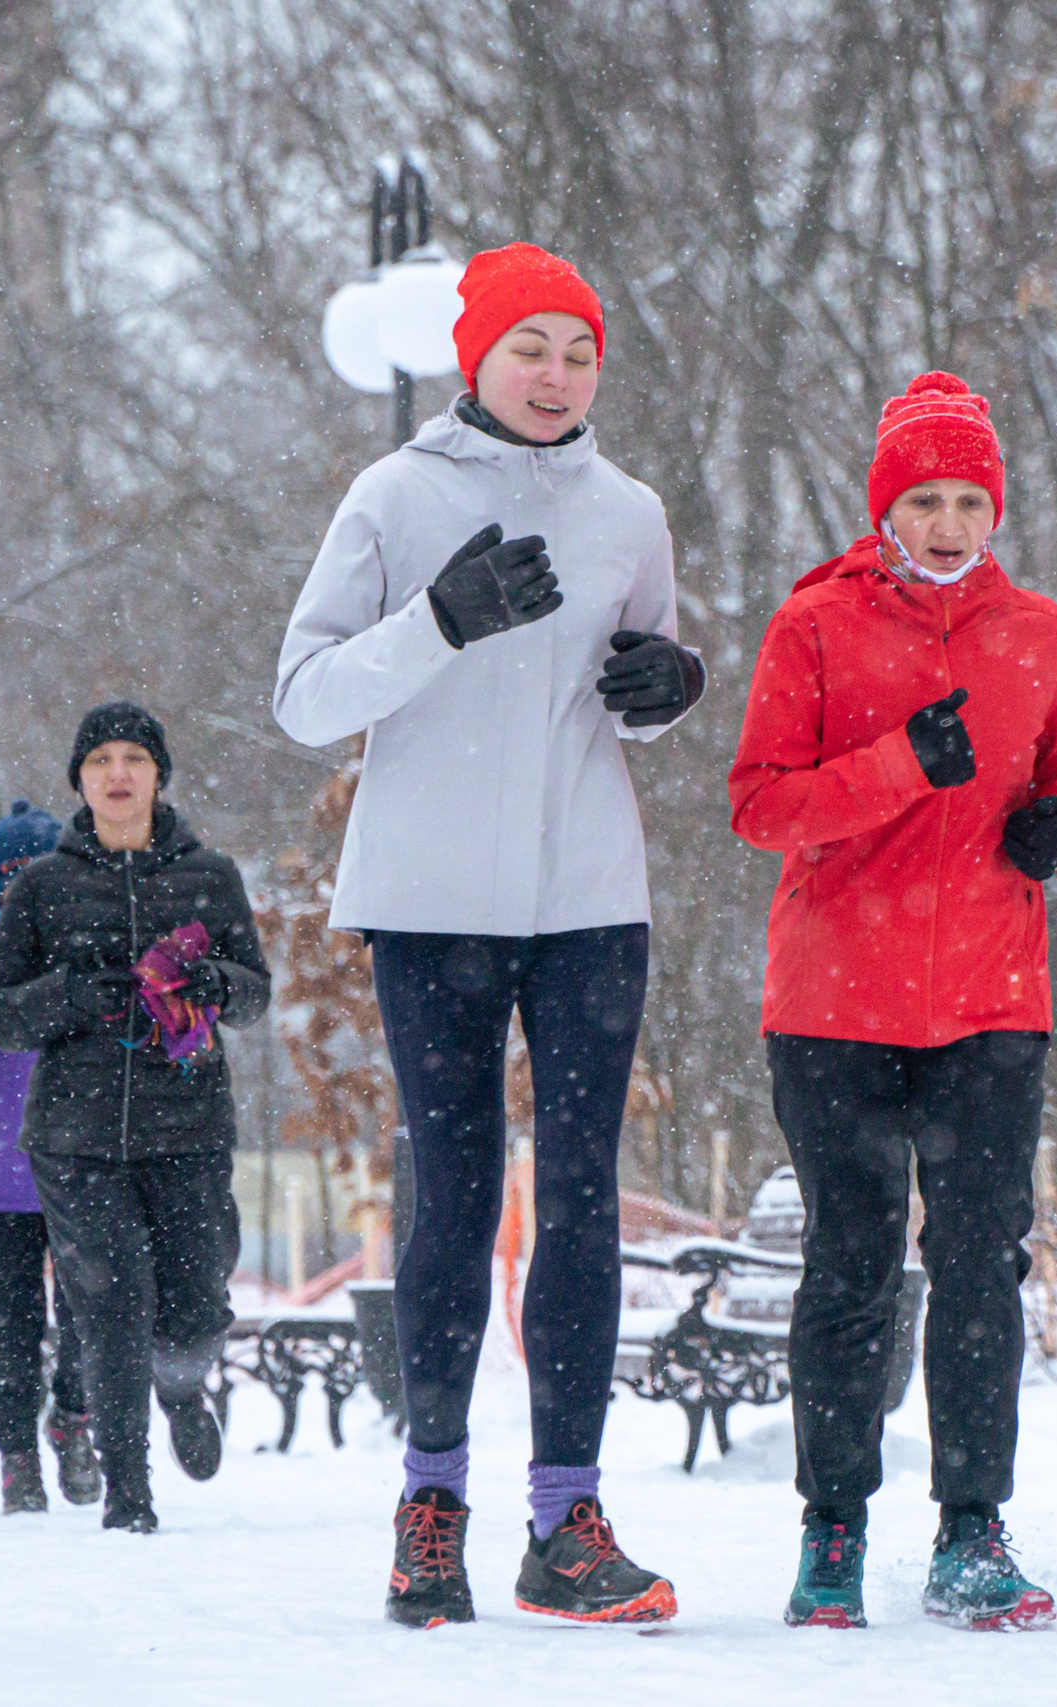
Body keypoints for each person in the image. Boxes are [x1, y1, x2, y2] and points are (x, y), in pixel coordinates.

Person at [274, 242, 704, 1629]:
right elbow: (305, 692)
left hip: (587, 896)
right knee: (455, 1189)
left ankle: (565, 1518)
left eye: (579, 352)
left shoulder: (630, 509)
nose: (557, 375)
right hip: (433, 895)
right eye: (531, 348)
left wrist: (668, 685)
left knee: (582, 1194)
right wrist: (439, 619)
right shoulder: (394, 495)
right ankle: (433, 1504)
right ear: (476, 357)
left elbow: (629, 689)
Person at [728, 371, 1057, 1631]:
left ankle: (970, 1534)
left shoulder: (1040, 632)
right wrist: (900, 767)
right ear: (886, 507)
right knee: (850, 1267)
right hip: (835, 1001)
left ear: (994, 509)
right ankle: (831, 1534)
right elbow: (759, 803)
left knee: (981, 1267)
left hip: (991, 1001)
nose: (948, 524)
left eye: (969, 500)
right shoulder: (819, 627)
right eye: (924, 500)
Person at [0, 703, 271, 1534]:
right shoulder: (42, 886)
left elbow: (256, 991)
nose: (117, 772)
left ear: (157, 773)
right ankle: (128, 1492)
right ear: (79, 777)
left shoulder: (209, 875)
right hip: (77, 1137)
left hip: (190, 1128)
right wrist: (67, 996)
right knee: (108, 1304)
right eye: (100, 757)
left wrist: (213, 982)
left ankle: (181, 1385)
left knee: (196, 1302)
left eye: (134, 757)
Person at [0, 800, 98, 1515]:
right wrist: (50, 986)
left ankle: (72, 1420)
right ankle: (17, 1456)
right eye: (16, 873)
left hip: (76, 1156)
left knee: (91, 1311)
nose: (28, 884)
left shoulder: (83, 929)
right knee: (14, 1320)